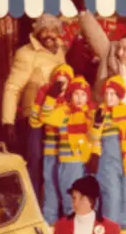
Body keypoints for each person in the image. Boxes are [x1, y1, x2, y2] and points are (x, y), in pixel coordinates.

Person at [66, 0, 126, 122]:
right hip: (102, 117)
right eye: (119, 47)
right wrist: (83, 12)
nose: (119, 52)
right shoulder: (110, 52)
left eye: (125, 49)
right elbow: (96, 36)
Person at [1, 14, 67, 153]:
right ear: (37, 32)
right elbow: (13, 88)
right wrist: (8, 121)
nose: (49, 35)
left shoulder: (60, 51)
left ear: (58, 33)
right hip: (35, 116)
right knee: (36, 159)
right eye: (44, 30)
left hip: (57, 115)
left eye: (53, 30)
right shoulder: (26, 53)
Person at [88, 75, 126, 234]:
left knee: (125, 198)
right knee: (112, 198)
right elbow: (93, 138)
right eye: (107, 94)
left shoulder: (125, 111)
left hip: (125, 160)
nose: (109, 98)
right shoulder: (99, 113)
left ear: (119, 96)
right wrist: (96, 125)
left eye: (113, 94)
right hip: (107, 162)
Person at [40, 76, 93, 219]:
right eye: (76, 94)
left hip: (86, 163)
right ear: (70, 95)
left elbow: (95, 135)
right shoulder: (64, 112)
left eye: (83, 95)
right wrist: (51, 98)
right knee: (69, 199)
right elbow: (45, 117)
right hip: (67, 163)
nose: (80, 98)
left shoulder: (90, 114)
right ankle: (70, 230)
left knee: (87, 200)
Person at [28, 64, 74, 219]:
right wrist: (45, 98)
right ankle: (50, 222)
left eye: (64, 83)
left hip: (69, 152)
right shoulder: (48, 95)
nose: (60, 86)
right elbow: (35, 122)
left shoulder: (73, 97)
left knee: (69, 187)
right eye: (57, 82)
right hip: (51, 149)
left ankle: (71, 222)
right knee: (50, 186)